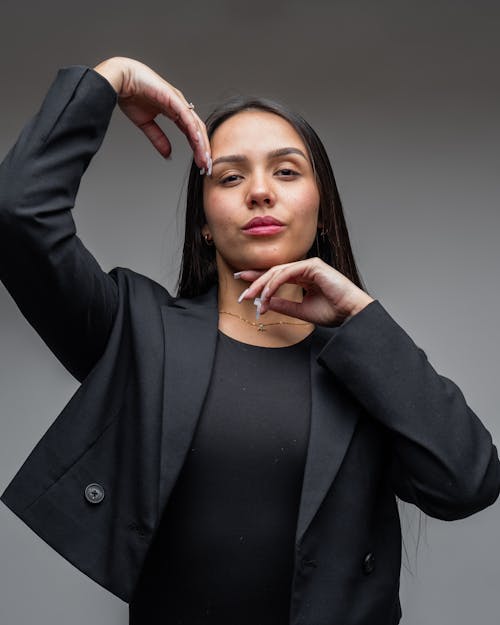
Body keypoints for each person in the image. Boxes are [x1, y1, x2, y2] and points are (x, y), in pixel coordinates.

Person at [0, 56, 498, 625]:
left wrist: (360, 317)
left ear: (323, 210)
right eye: (230, 176)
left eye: (286, 172)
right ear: (204, 221)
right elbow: (17, 214)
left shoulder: (367, 358)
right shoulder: (138, 333)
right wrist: (111, 79)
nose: (260, 192)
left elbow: (469, 482)